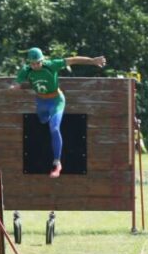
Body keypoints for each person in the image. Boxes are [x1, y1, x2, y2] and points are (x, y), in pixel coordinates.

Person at [10, 47, 106, 178]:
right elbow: (18, 82)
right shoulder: (26, 70)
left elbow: (72, 60)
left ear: (42, 60)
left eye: (37, 63)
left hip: (56, 101)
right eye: (32, 63)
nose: (35, 66)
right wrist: (15, 87)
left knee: (54, 129)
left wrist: (92, 61)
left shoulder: (51, 65)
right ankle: (47, 119)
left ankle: (57, 162)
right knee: (43, 120)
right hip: (41, 102)